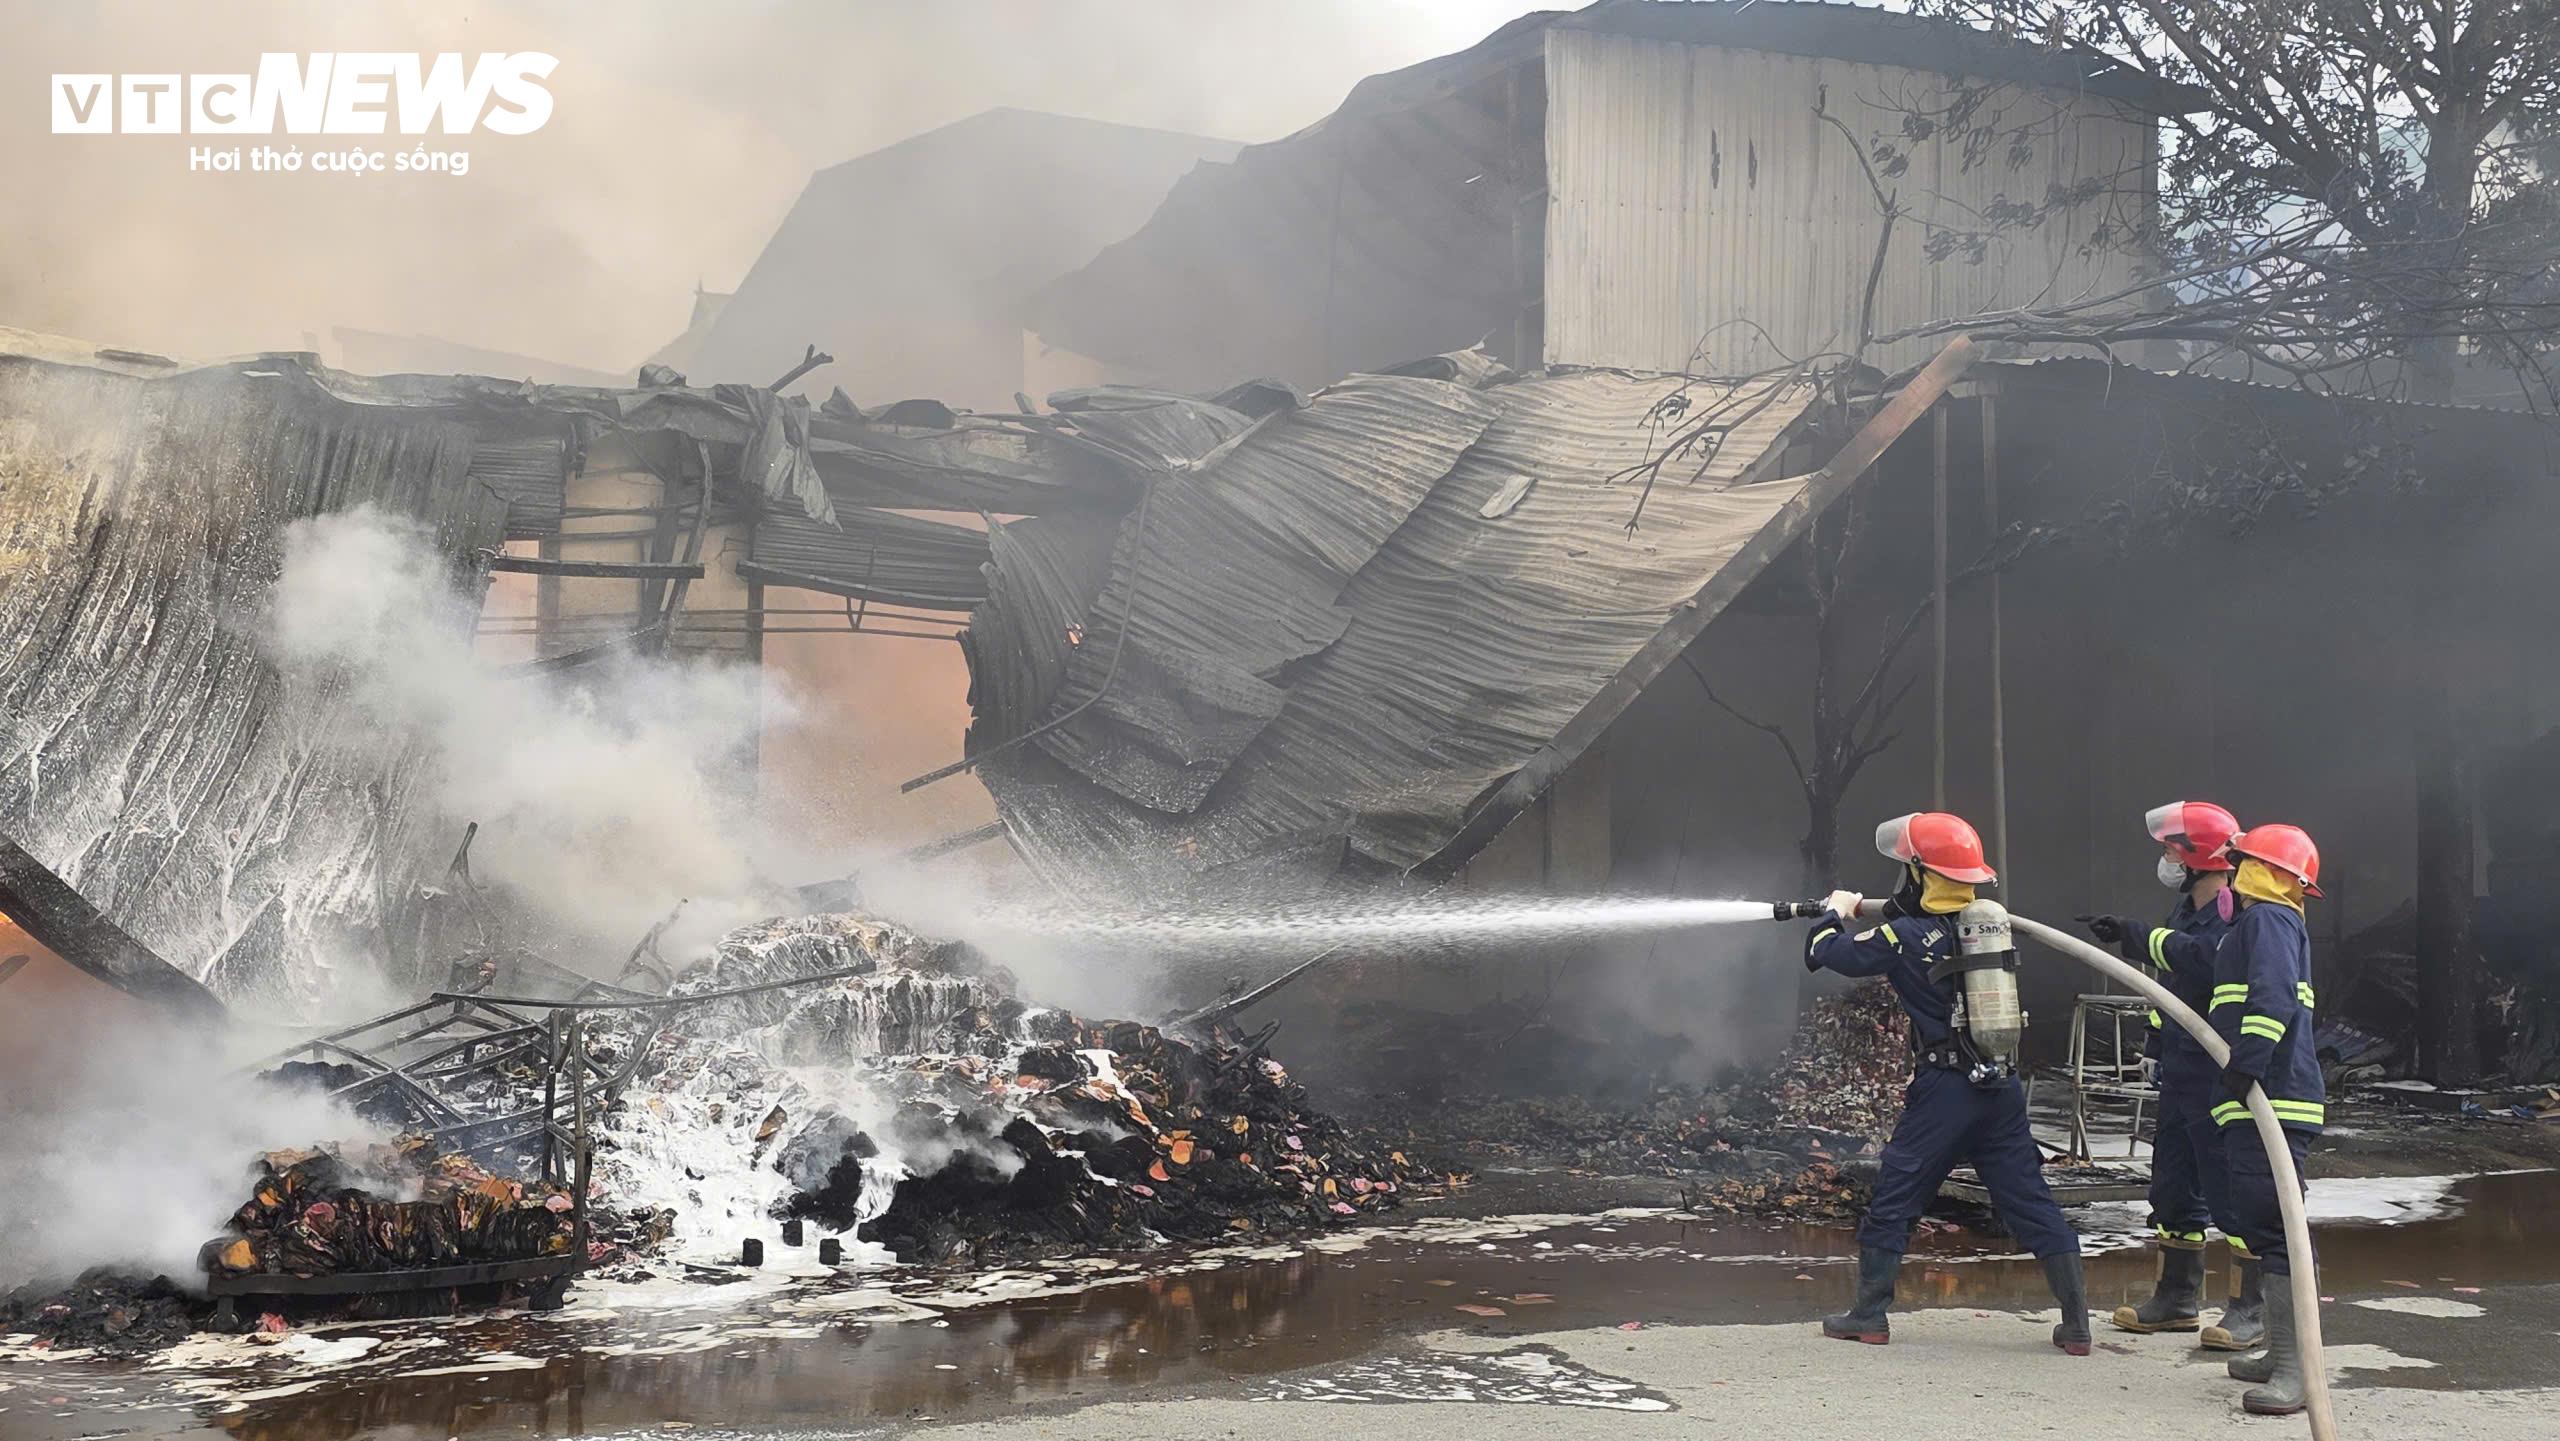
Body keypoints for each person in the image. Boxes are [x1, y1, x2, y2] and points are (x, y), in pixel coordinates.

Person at [1806, 811, 2090, 1354]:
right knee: (2030, 1201)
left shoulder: (1902, 936)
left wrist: (1833, 912)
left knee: (1897, 1195)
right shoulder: (1987, 927)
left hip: (1945, 1091)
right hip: (2001, 1087)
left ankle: (1868, 1316)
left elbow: (1825, 954)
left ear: (1918, 873)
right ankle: (2077, 1325)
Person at [2079, 801, 2262, 1347]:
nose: (2166, 860)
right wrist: (2155, 1043)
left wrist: (2137, 936)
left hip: (2217, 1070)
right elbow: (2172, 988)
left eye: (2171, 850)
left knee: (2229, 1189)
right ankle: (2176, 1299)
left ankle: (2252, 1309)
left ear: (2197, 856)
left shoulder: (2235, 912)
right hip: (2181, 1068)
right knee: (2173, 1185)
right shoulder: (2185, 909)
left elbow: (2204, 960)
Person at [2207, 823, 2325, 1417]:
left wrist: (2248, 1062)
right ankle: (2281, 1350)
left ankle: (2296, 1369)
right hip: (2258, 1098)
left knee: (2279, 1231)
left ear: (2260, 870)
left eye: (2239, 866)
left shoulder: (2268, 920)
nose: (2230, 877)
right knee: (2259, 1221)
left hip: (2272, 1097)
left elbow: (2273, 996)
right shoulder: (2258, 924)